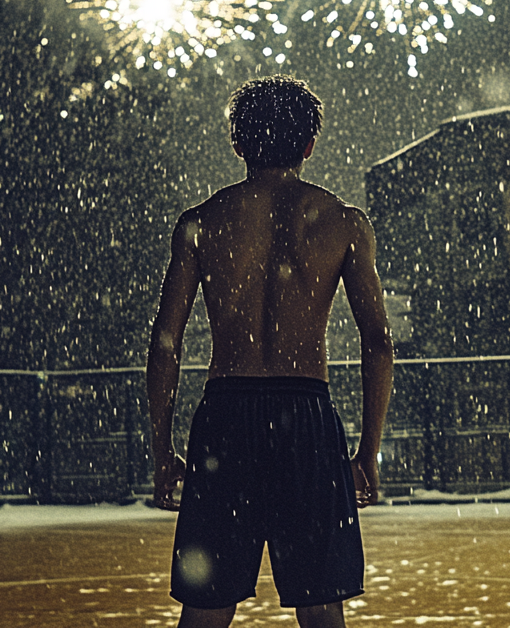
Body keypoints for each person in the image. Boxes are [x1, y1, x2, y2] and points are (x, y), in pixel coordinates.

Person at [146, 74, 395, 628]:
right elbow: (378, 342)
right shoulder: (344, 223)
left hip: (226, 417)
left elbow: (166, 342)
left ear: (237, 143)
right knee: (321, 602)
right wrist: (367, 451)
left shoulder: (201, 222)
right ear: (310, 145)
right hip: (304, 414)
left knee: (206, 605)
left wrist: (161, 448)